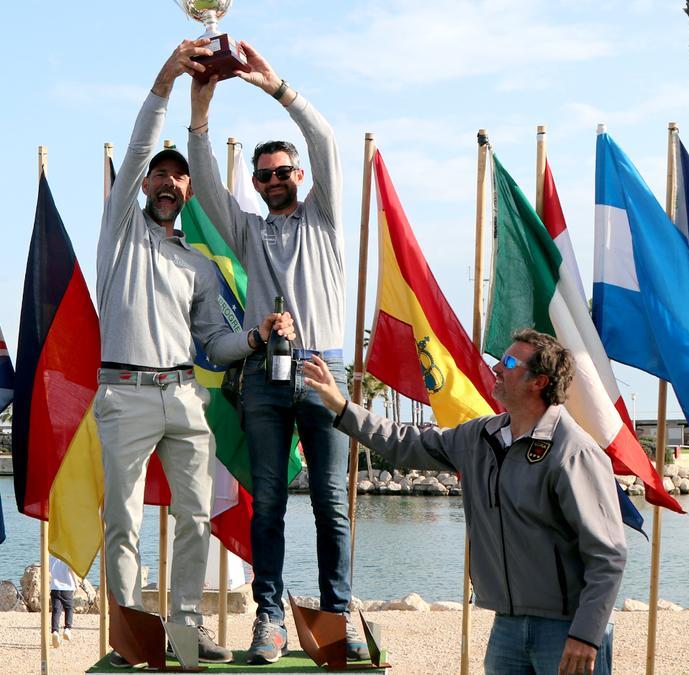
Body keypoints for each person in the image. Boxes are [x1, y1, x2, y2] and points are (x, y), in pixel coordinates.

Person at [97, 39, 296, 667]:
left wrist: (258, 338)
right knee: (124, 525)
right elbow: (134, 148)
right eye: (160, 173)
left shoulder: (199, 266)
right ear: (144, 183)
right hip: (124, 393)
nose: (169, 182)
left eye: (179, 176)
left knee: (194, 520)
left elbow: (214, 345)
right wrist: (166, 80)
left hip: (184, 394)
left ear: (187, 191)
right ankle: (131, 637)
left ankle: (183, 633)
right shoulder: (120, 230)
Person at [301, 329, 626, 675]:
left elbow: (608, 556)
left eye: (511, 362)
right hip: (507, 628)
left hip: (566, 630)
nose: (497, 368)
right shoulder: (479, 437)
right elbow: (404, 442)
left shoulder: (573, 452)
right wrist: (341, 406)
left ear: (539, 381)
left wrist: (586, 635)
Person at [186, 41, 363, 664]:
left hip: (323, 371)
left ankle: (338, 613)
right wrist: (200, 111)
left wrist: (274, 86)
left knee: (332, 502)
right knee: (268, 500)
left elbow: (326, 140)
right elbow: (205, 187)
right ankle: (270, 617)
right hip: (263, 374)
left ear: (299, 177)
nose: (274, 181)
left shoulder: (325, 217)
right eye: (263, 176)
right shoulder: (249, 229)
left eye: (283, 172)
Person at [49, 555, 77, 648]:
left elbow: (47, 570)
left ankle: (55, 631)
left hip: (55, 588)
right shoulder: (67, 558)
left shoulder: (51, 558)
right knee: (69, 609)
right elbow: (72, 572)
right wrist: (76, 584)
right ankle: (67, 628)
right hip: (67, 589)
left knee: (56, 611)